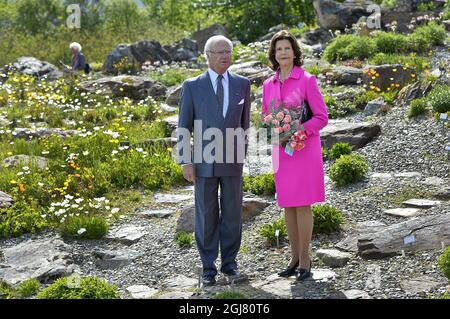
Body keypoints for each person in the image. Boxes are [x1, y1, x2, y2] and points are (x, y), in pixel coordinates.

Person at [176, 35, 251, 286]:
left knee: (232, 212)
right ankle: (208, 267)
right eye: (219, 52)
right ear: (207, 56)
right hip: (203, 160)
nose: (224, 56)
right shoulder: (192, 86)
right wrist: (186, 161)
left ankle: (230, 263)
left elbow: (244, 124)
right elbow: (184, 127)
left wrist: (243, 151)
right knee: (206, 214)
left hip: (232, 159)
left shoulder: (243, 84)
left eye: (228, 51)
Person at [261, 30, 328, 281]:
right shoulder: (268, 84)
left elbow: (321, 117)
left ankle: (306, 258)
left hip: (304, 150)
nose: (283, 53)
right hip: (282, 151)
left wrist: (300, 129)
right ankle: (293, 258)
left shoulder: (307, 80)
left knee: (303, 204)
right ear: (274, 54)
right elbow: (265, 115)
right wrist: (272, 130)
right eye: (278, 49)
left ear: (294, 51)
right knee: (288, 204)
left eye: (287, 48)